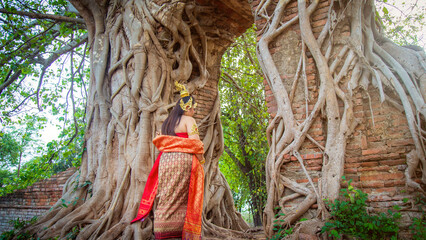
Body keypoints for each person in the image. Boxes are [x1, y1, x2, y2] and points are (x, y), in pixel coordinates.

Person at [131, 81, 205, 240]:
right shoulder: (188, 120)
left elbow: (162, 142)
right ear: (186, 108)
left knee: (167, 194)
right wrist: (201, 159)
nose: (193, 111)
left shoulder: (167, 123)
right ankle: (182, 230)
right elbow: (195, 143)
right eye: (192, 108)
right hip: (183, 161)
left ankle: (163, 229)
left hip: (165, 162)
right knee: (184, 195)